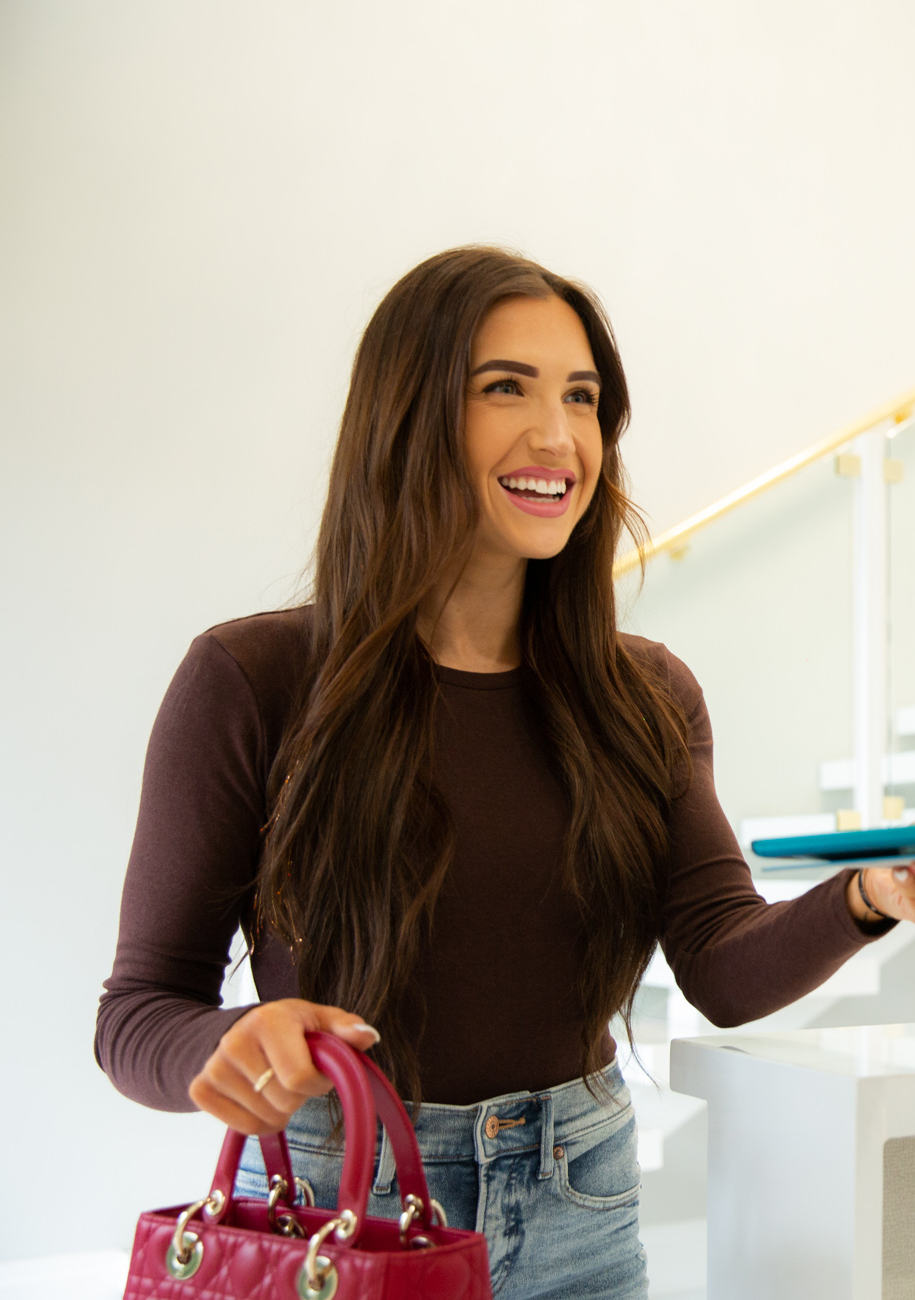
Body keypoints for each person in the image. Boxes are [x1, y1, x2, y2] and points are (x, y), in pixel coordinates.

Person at [96, 244, 915, 1299]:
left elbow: (717, 960)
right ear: (406, 415)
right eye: (504, 389)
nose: (558, 435)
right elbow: (138, 1010)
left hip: (583, 1203)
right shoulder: (253, 679)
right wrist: (228, 1040)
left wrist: (868, 895)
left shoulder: (644, 696)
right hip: (340, 1212)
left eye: (582, 396)